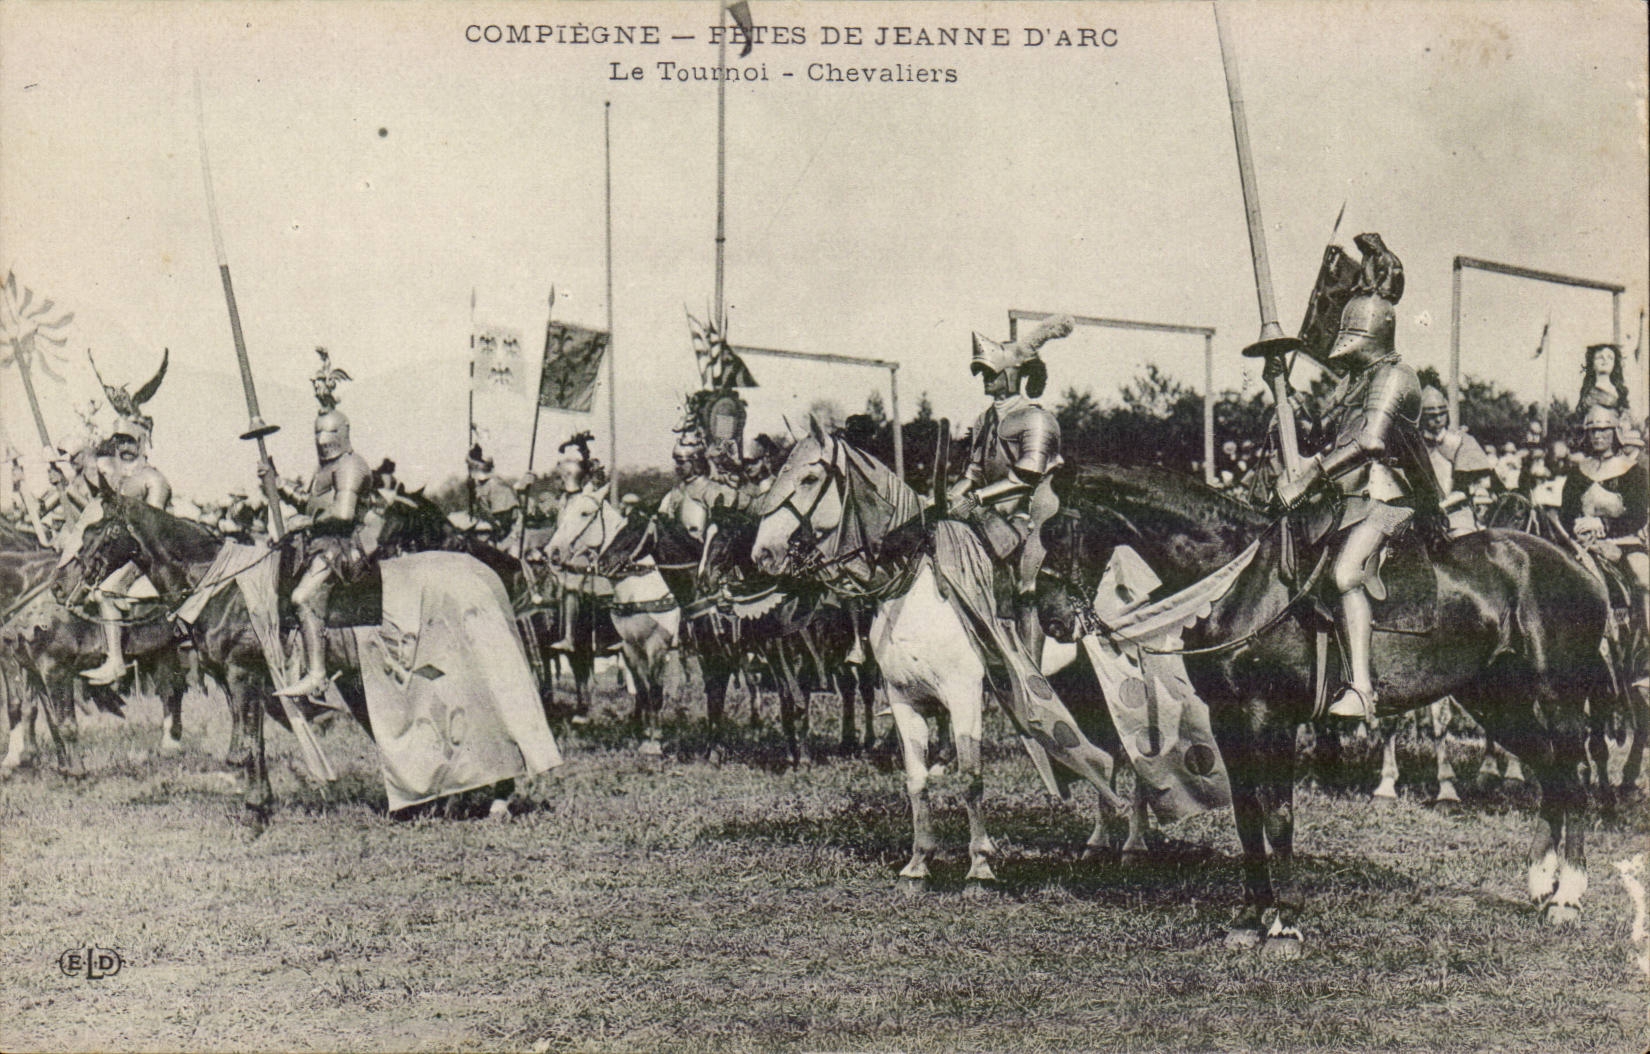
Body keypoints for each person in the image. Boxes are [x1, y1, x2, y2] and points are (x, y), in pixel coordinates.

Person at [1275, 236, 1439, 725]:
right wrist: (1281, 390)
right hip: (1346, 497)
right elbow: (1320, 436)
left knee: (1346, 573)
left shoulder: (1396, 376)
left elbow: (1369, 443)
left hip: (1388, 496)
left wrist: (1307, 477)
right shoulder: (1352, 383)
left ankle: (1363, 690)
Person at [947, 314, 1074, 661]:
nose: (985, 380)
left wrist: (974, 499)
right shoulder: (984, 420)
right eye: (984, 374)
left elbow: (1026, 477)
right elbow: (973, 471)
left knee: (1026, 583)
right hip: (994, 510)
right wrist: (949, 499)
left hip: (1038, 512)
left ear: (1012, 375)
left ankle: (1030, 668)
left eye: (992, 373)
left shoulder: (1036, 418)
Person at [270, 356, 372, 699]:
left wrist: (306, 520)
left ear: (343, 432)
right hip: (319, 544)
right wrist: (277, 483)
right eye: (317, 432)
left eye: (330, 431)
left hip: (341, 547)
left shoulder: (351, 465)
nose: (323, 438)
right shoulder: (323, 470)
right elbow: (311, 503)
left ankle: (318, 675)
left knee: (303, 597)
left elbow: (343, 513)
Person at [81, 419, 173, 685]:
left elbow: (153, 525)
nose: (123, 446)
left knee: (107, 593)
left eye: (129, 440)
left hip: (150, 552)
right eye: (119, 441)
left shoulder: (153, 478)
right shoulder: (121, 479)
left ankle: (116, 662)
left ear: (140, 442)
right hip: (125, 551)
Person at [1561, 404, 1648, 596]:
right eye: (1592, 431)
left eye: (1603, 430)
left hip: (1623, 542)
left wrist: (1603, 524)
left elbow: (1638, 514)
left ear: (1615, 432)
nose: (1597, 436)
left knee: (1644, 578)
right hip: (1581, 543)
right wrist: (1576, 526)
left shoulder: (1633, 471)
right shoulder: (1577, 472)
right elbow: (1566, 512)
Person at [1418, 385, 1495, 536]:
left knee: (1463, 545)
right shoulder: (1413, 443)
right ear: (1422, 417)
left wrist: (1441, 507)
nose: (1438, 419)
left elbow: (1465, 487)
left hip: (1456, 515)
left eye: (1442, 414)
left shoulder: (1463, 441)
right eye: (1432, 416)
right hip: (1419, 515)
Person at [466, 444, 521, 548]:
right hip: (490, 533)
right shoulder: (479, 486)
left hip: (506, 537)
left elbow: (503, 521)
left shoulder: (495, 485)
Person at [1578, 342, 1631, 418]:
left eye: (1610, 357)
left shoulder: (1618, 391)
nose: (1605, 360)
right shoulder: (1588, 392)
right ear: (1592, 363)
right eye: (1600, 357)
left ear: (1614, 363)